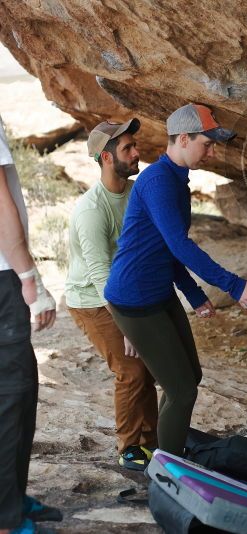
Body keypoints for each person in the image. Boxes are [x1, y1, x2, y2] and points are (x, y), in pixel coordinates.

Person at [104, 104, 247, 456]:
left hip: (158, 293)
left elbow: (167, 243)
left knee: (188, 379)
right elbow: (180, 244)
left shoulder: (176, 180)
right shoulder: (159, 181)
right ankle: (168, 470)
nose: (211, 152)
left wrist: (193, 294)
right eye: (206, 144)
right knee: (182, 391)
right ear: (182, 138)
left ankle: (164, 452)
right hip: (134, 300)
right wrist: (234, 286)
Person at [64, 118, 159, 471]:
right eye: (128, 149)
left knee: (148, 367)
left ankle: (154, 442)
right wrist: (128, 326)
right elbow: (99, 273)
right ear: (107, 158)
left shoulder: (134, 194)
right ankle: (128, 448)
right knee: (131, 370)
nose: (137, 153)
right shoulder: (91, 210)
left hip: (123, 292)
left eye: (135, 146)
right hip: (92, 299)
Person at [0, 115, 61, 533]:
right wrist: (29, 278)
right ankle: (6, 518)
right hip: (2, 278)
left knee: (18, 388)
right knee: (11, 396)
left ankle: (12, 498)